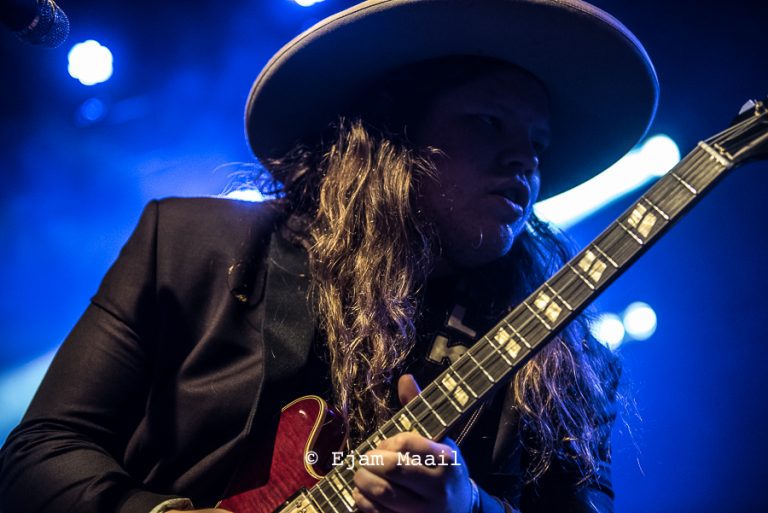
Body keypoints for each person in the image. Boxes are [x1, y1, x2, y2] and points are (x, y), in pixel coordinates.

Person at [0, 1, 659, 512]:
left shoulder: (563, 356)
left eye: (539, 145)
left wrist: (470, 507)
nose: (525, 161)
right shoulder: (187, 244)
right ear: (395, 131)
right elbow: (40, 455)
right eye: (489, 122)